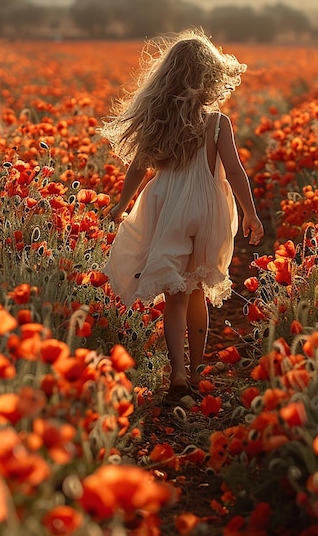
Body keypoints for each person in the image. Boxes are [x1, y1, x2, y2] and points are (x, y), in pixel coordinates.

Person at [100, 28, 264, 406]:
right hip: (207, 210)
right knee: (196, 291)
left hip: (168, 207)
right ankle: (194, 374)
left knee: (174, 295)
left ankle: (175, 373)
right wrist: (250, 212)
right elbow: (235, 171)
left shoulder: (160, 119)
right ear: (210, 78)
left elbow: (139, 168)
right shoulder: (217, 122)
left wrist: (122, 203)